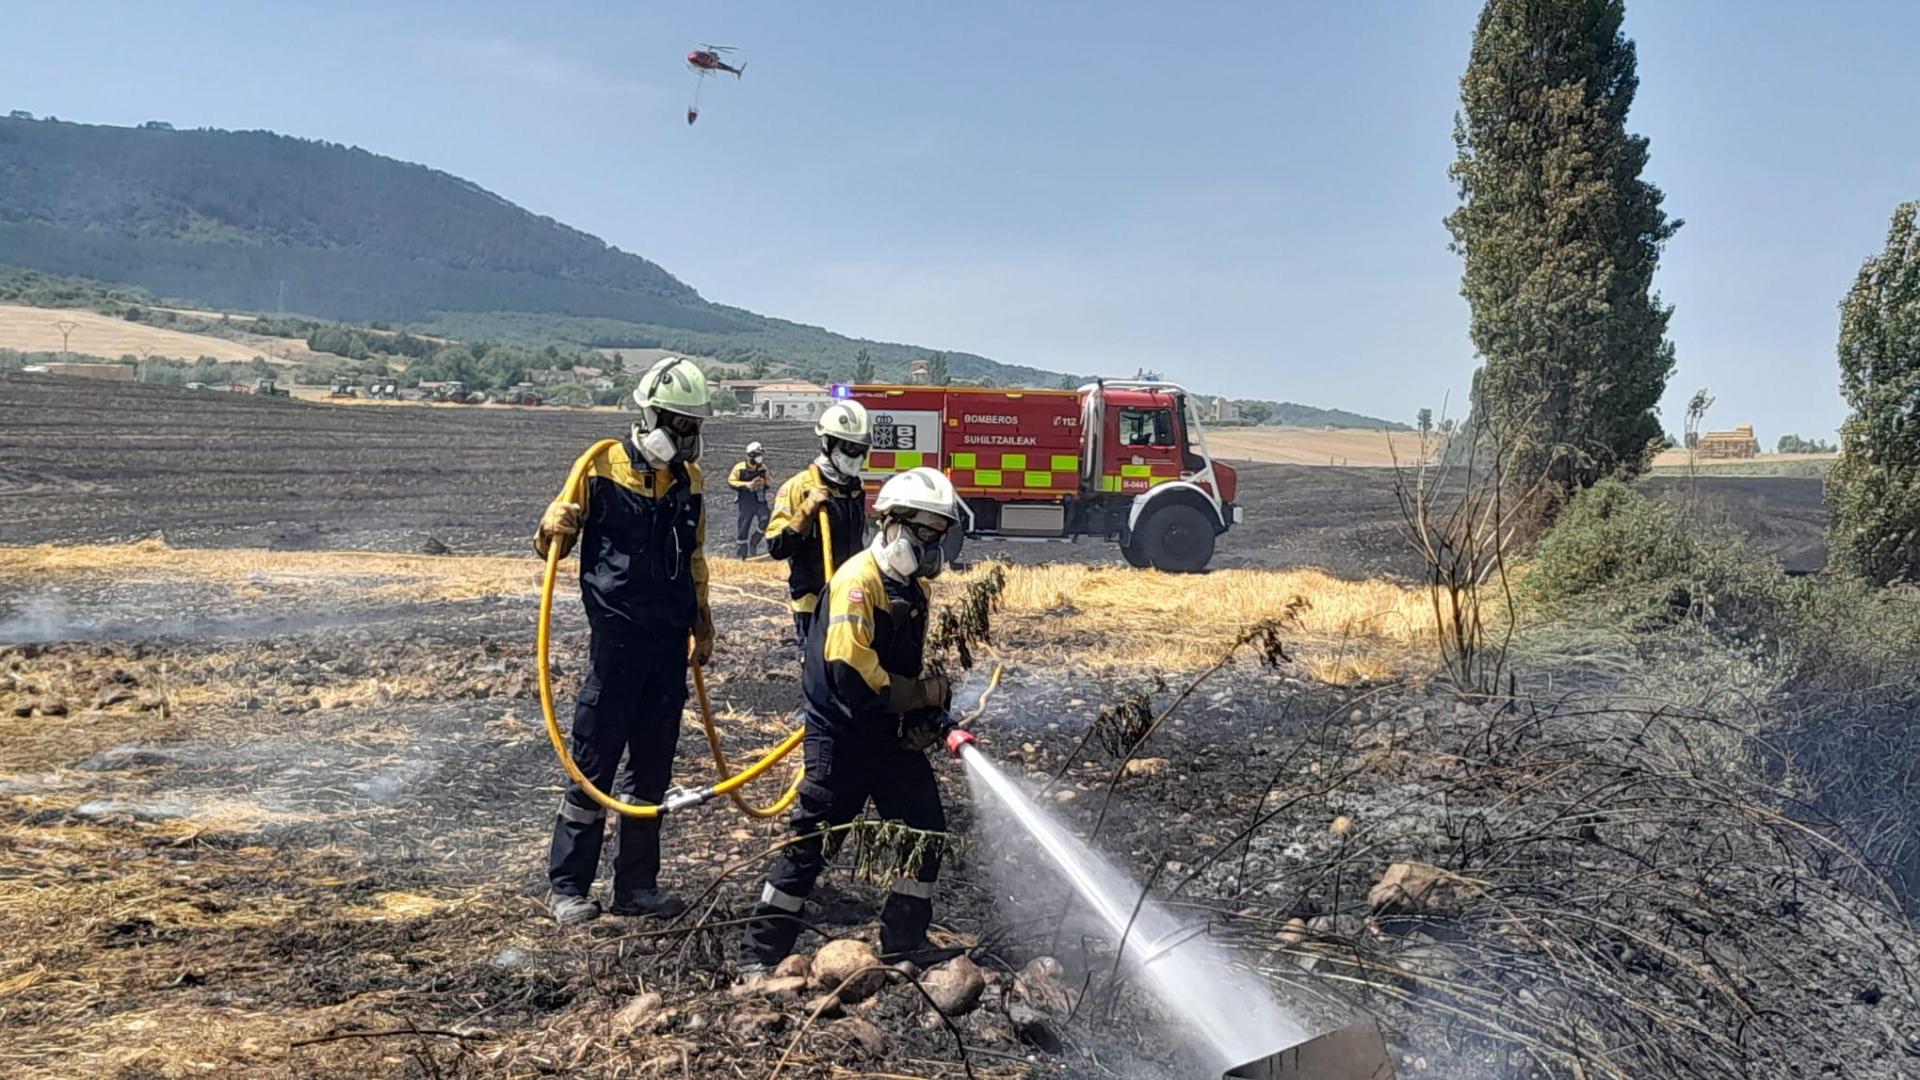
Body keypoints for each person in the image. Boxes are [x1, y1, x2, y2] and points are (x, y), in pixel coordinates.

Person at [742, 467, 961, 971]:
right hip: (841, 737)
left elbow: (896, 672)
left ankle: (904, 943)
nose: (932, 545)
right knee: (811, 846)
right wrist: (921, 694)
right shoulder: (858, 583)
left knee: (923, 829)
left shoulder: (911, 589)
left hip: (885, 738)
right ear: (892, 523)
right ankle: (758, 957)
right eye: (925, 531)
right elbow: (854, 677)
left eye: (940, 534)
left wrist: (922, 717)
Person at [533, 355, 715, 926]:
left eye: (694, 427)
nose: (687, 438)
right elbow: (550, 547)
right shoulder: (600, 466)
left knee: (652, 773)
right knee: (593, 762)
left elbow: (695, 559)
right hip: (616, 643)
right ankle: (568, 886)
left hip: (668, 646)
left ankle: (636, 886)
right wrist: (550, 526)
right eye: (679, 425)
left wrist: (702, 620)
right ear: (650, 413)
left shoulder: (690, 482)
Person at [764, 401, 872, 648]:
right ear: (828, 443)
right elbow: (777, 547)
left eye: (860, 448)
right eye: (849, 447)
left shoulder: (856, 490)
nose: (855, 455)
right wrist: (807, 510)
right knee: (819, 678)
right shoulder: (799, 487)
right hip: (813, 603)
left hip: (850, 599)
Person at [727, 441, 773, 558]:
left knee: (765, 518)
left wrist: (764, 483)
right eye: (758, 455)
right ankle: (741, 554)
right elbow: (731, 481)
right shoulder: (739, 468)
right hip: (746, 502)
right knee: (743, 527)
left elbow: (769, 481)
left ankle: (754, 542)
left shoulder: (762, 468)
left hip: (759, 500)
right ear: (751, 456)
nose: (760, 458)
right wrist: (746, 485)